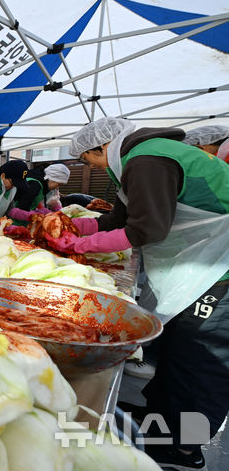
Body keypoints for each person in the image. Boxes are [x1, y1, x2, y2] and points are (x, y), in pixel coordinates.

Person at [49, 116, 229, 470]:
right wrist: (70, 226)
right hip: (199, 261)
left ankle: (183, 450)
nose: (89, 166)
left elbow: (148, 227)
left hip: (218, 267)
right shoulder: (139, 157)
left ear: (102, 147)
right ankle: (160, 420)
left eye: (88, 160)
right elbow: (119, 219)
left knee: (199, 358)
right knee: (177, 350)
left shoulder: (147, 159)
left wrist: (81, 244)